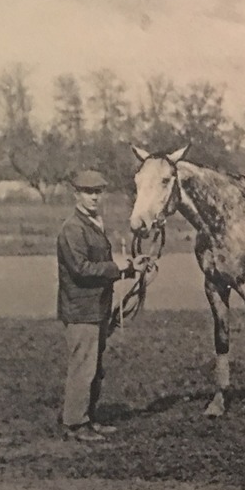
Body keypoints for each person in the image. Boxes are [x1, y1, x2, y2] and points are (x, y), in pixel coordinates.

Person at [57, 170, 145, 442]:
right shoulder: (73, 229)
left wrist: (131, 268)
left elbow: (104, 268)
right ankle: (75, 423)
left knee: (94, 367)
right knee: (83, 366)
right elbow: (81, 269)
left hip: (97, 307)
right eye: (88, 192)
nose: (94, 197)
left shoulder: (93, 224)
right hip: (81, 310)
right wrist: (117, 266)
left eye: (97, 192)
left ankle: (89, 418)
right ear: (76, 195)